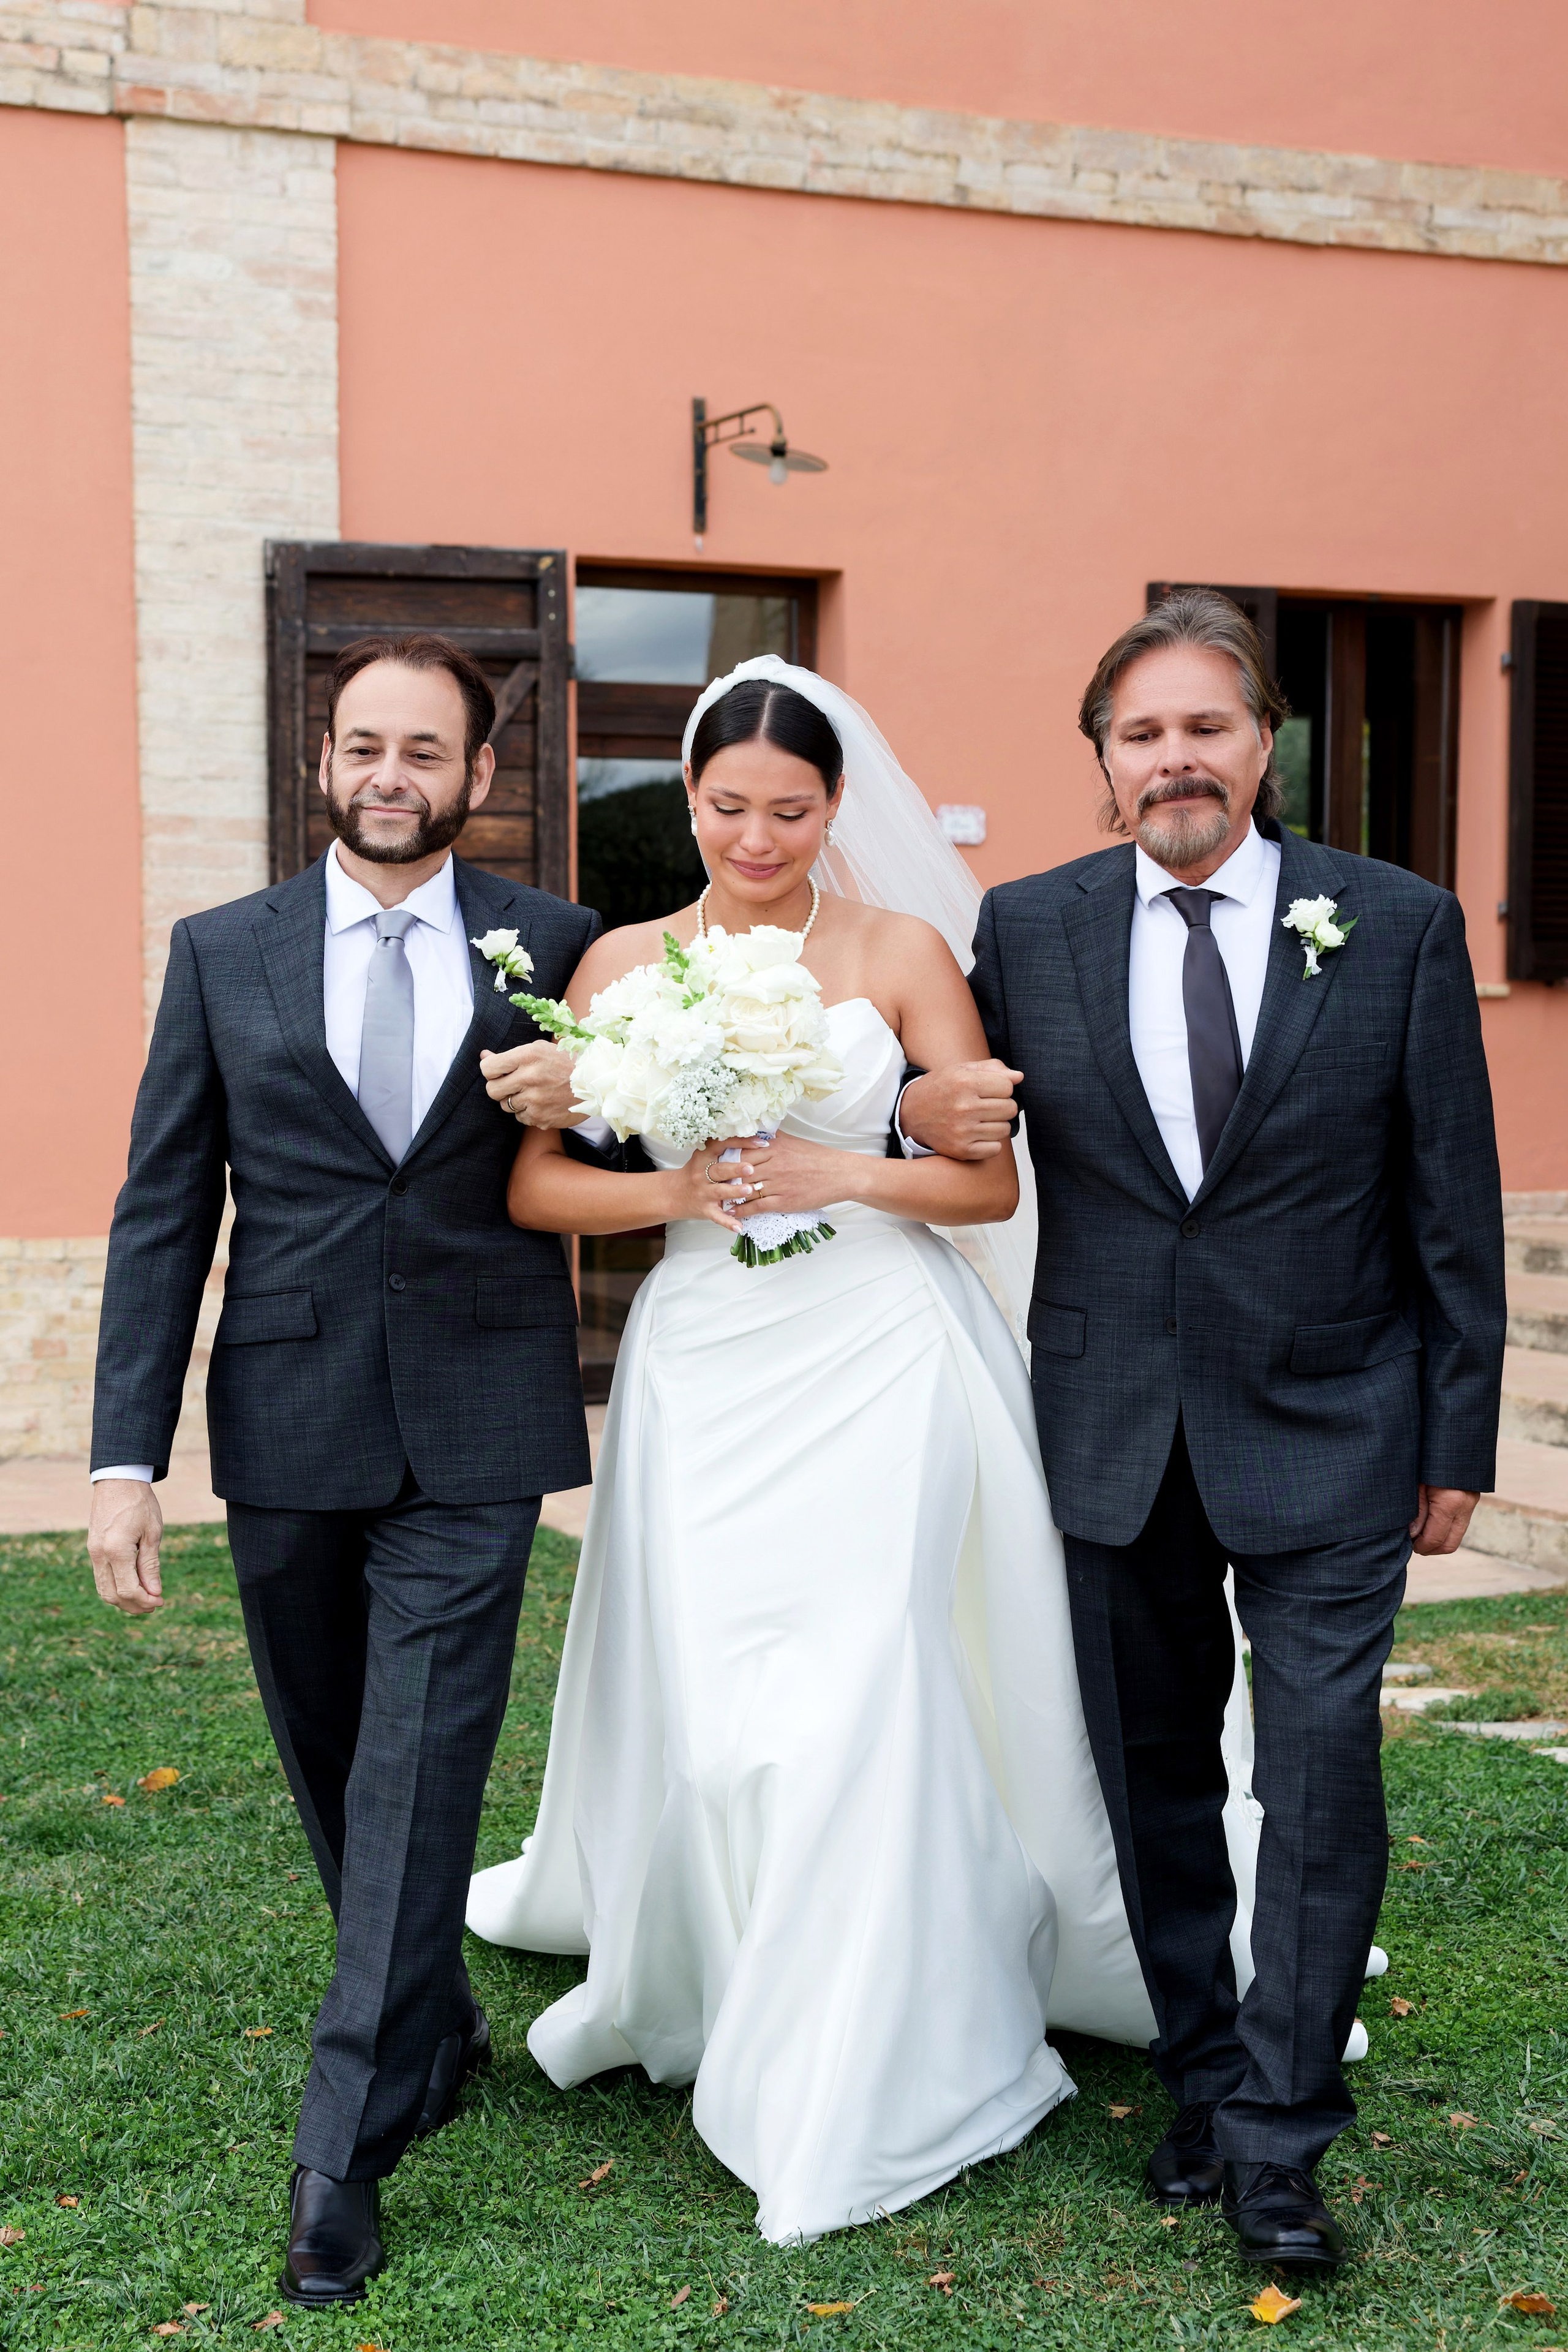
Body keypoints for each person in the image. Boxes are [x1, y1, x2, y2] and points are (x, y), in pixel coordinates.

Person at [466, 660, 1250, 2245]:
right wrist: (677, 1192)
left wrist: (841, 1170)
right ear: (690, 804)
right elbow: (540, 1189)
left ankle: (876, 2036)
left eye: (791, 809)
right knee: (726, 1705)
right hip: (706, 1361)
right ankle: (738, 1964)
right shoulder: (620, 963)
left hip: (884, 1349)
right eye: (728, 807)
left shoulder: (901, 953)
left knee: (870, 1675)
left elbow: (986, 1187)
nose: (757, 838)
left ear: (838, 807)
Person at [900, 590, 1507, 2269]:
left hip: (1339, 1421)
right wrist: (908, 1108)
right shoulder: (1028, 928)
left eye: (1205, 726)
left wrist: (1456, 1434)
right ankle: (1203, 2070)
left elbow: (1450, 1199)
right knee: (1155, 1777)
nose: (1175, 758)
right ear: (1104, 762)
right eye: (1141, 733)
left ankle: (1282, 2133)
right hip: (1113, 1426)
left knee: (1318, 1779)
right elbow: (948, 1109)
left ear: (1263, 741)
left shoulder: (1395, 924)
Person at [86, 634, 599, 2306]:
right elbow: (166, 1207)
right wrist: (123, 1458)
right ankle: (427, 2011)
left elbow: (638, 1137)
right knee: (330, 1752)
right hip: (289, 1411)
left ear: (478, 774)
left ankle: (343, 2149)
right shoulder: (222, 950)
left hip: (479, 1413)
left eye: (426, 751)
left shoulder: (561, 945)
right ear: (326, 760)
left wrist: (593, 1093)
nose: (393, 775)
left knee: (420, 1763)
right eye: (366, 745)